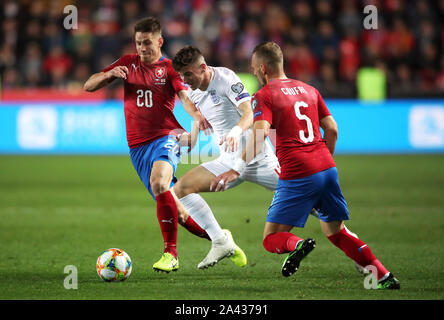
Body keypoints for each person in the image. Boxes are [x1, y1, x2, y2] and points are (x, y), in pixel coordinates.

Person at [211, 41, 400, 289]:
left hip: (298, 172)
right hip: (326, 167)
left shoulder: (264, 96)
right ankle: (384, 276)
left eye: (255, 69)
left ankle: (298, 245)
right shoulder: (309, 90)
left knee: (271, 239)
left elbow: (259, 134)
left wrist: (237, 167)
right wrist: (323, 158)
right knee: (336, 232)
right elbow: (332, 128)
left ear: (264, 68)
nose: (255, 73)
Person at [83, 17, 238, 274]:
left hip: (167, 137)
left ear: (159, 41)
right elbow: (88, 86)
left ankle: (170, 253)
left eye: (147, 43)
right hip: (138, 147)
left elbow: (185, 97)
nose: (142, 48)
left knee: (159, 183)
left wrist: (196, 116)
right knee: (177, 211)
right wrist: (109, 74)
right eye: (138, 43)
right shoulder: (126, 63)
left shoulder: (168, 69)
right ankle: (222, 240)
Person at [171, 45, 280, 269]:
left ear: (203, 67)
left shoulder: (226, 78)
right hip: (228, 162)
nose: (185, 80)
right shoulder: (192, 92)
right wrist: (182, 139)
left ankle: (346, 237)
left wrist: (236, 131)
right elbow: (191, 126)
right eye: (182, 76)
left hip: (256, 158)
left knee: (307, 199)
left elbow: (250, 113)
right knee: (180, 190)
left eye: (188, 74)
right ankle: (220, 240)